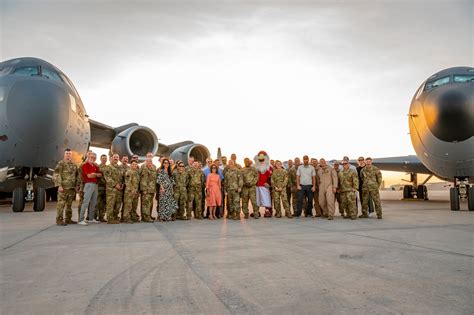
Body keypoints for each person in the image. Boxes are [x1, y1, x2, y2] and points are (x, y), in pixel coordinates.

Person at [53, 149, 79, 225]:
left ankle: (68, 219)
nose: (68, 155)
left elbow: (77, 176)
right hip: (63, 188)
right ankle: (59, 220)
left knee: (69, 205)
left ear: (71, 155)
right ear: (64, 154)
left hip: (71, 188)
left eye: (69, 153)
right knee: (61, 204)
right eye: (67, 153)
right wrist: (59, 185)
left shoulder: (74, 165)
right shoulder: (61, 164)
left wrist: (77, 185)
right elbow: (56, 174)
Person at [79, 152, 101, 225]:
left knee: (93, 203)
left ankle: (91, 218)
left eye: (94, 158)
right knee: (86, 202)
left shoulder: (95, 166)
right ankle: (81, 219)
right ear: (88, 157)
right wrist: (95, 174)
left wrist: (94, 174)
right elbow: (89, 176)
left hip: (95, 185)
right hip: (89, 185)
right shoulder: (85, 165)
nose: (93, 159)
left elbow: (100, 174)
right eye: (91, 157)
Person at [103, 153, 124, 224]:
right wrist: (115, 185)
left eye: (117, 157)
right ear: (112, 158)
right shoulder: (108, 167)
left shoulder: (120, 167)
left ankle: (115, 217)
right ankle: (110, 219)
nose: (116, 158)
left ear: (118, 159)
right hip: (111, 190)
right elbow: (107, 178)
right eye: (114, 157)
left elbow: (122, 178)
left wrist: (122, 185)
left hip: (119, 190)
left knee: (118, 205)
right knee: (110, 204)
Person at [254, 151, 273, 217]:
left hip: (264, 186)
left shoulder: (268, 167)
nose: (261, 159)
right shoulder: (255, 167)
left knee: (266, 199)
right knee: (257, 199)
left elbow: (271, 177)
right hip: (256, 186)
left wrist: (268, 183)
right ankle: (257, 212)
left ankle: (267, 211)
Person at [139, 152, 157, 222]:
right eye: (148, 156)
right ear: (146, 157)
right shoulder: (143, 166)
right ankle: (145, 217)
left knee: (150, 204)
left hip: (152, 189)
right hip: (145, 189)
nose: (150, 157)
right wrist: (143, 189)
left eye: (151, 156)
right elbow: (141, 178)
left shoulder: (154, 166)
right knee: (145, 204)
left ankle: (149, 215)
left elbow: (154, 178)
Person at [96, 154, 108, 222]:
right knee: (97, 203)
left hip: (106, 188)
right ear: (100, 159)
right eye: (103, 158)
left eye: (105, 158)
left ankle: (101, 217)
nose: (104, 159)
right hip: (99, 187)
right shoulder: (98, 167)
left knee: (104, 203)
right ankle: (94, 217)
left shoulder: (108, 167)